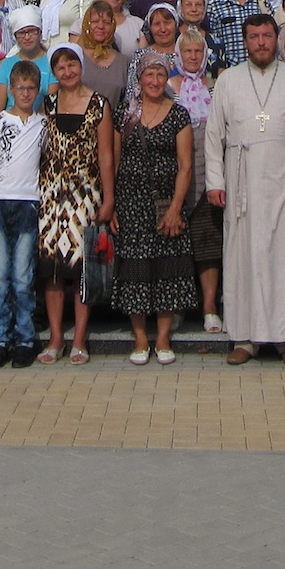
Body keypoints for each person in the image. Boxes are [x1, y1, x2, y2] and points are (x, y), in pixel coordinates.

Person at [204, 13, 285, 365]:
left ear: (277, 39)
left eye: (267, 36)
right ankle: (244, 338)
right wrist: (215, 182)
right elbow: (214, 137)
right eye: (254, 36)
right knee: (244, 258)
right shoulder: (228, 81)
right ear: (245, 41)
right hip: (241, 183)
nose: (261, 42)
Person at [112, 52, 196, 363]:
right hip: (131, 203)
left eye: (161, 75)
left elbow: (185, 166)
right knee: (135, 270)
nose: (155, 81)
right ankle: (139, 338)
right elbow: (115, 161)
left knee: (167, 270)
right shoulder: (125, 114)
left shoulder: (178, 115)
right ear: (140, 78)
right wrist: (115, 205)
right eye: (149, 75)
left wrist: (176, 207)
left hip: (165, 204)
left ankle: (162, 338)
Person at [36, 43, 115, 364]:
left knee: (83, 269)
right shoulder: (49, 104)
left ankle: (79, 338)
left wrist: (109, 199)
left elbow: (106, 156)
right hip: (52, 196)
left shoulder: (99, 104)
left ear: (81, 67)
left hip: (86, 195)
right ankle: (56, 338)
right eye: (60, 67)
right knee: (53, 271)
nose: (67, 71)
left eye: (72, 64)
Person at [0, 59, 46, 368]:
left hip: (29, 204)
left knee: (22, 277)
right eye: (20, 88)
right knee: (0, 276)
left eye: (31, 88)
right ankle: (1, 340)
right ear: (12, 89)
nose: (26, 93)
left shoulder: (44, 124)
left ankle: (25, 339)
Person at [170, 27, 225, 332]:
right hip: (177, 171)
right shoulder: (167, 86)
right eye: (187, 51)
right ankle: (176, 305)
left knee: (207, 241)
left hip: (209, 168)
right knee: (176, 242)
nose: (192, 57)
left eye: (198, 51)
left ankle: (208, 307)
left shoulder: (216, 86)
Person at [0, 5, 55, 114]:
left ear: (40, 32)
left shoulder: (51, 62)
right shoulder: (7, 64)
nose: (27, 37)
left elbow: (51, 106)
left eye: (32, 31)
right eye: (21, 33)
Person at [206, 0, 264, 70]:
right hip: (227, 71)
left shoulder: (262, 3)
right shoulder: (214, 4)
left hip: (259, 69)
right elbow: (210, 39)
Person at [80, 0, 139, 111]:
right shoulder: (76, 56)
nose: (101, 26)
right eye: (95, 21)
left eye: (107, 23)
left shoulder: (123, 62)